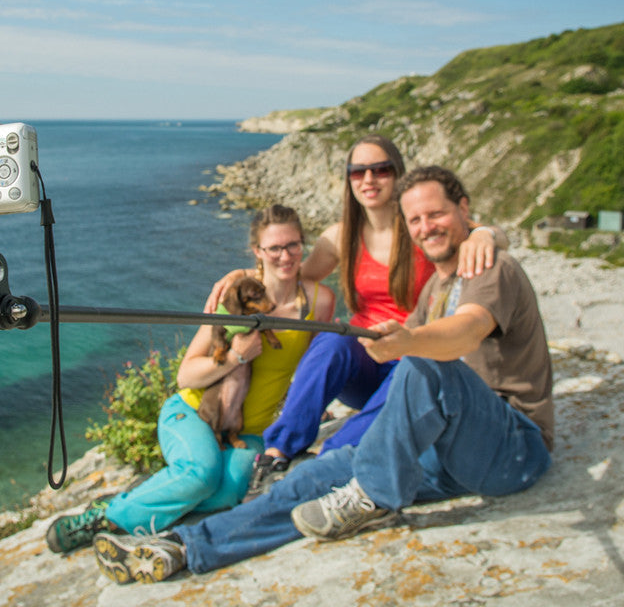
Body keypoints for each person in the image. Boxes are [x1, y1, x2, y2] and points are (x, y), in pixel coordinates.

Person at [91, 165, 553, 584]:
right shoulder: (436, 284)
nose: (425, 227)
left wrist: (410, 339)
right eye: (415, 220)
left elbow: (466, 331)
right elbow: (284, 273)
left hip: (510, 447)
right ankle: (183, 548)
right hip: (442, 449)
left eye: (436, 214)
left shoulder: (491, 267)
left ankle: (373, 494)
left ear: (464, 209)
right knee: (315, 478)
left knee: (423, 363)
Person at [204, 135, 506, 499]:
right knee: (332, 338)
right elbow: (291, 274)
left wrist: (484, 234)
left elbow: (482, 232)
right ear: (348, 179)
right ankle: (277, 452)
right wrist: (242, 276)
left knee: (408, 370)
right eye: (358, 171)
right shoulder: (341, 236)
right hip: (365, 361)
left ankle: (323, 466)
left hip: (414, 362)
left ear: (398, 173)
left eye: (381, 169)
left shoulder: (419, 228)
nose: (369, 179)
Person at [45, 204, 335, 554]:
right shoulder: (234, 298)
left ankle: (143, 496)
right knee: (201, 473)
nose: (285, 256)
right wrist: (236, 357)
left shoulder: (319, 301)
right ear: (257, 251)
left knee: (228, 493)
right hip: (194, 413)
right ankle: (106, 516)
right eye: (274, 248)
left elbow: (311, 367)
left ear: (303, 244)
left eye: (293, 245)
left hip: (248, 431)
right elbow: (187, 374)